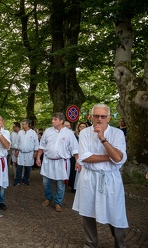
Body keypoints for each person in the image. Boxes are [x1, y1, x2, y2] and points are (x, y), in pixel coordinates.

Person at [72, 104, 128, 247]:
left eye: (103, 116)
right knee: (88, 211)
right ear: (91, 117)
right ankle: (90, 243)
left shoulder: (117, 134)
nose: (99, 119)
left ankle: (120, 243)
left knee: (116, 212)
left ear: (108, 118)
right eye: (96, 116)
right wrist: (110, 157)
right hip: (89, 177)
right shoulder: (84, 133)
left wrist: (103, 138)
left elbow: (118, 157)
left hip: (110, 179)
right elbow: (85, 158)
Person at [36, 112, 78, 212]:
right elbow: (42, 146)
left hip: (61, 162)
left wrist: (77, 161)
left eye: (55, 119)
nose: (52, 121)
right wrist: (38, 157)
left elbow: (75, 149)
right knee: (46, 182)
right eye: (52, 119)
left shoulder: (69, 133)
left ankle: (58, 202)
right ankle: (48, 197)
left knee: (60, 183)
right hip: (48, 161)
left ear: (61, 121)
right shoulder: (47, 131)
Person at [14, 119, 39, 186]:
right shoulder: (20, 132)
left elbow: (36, 144)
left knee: (28, 168)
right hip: (21, 153)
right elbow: (17, 142)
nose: (23, 125)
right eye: (22, 124)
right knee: (19, 167)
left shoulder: (33, 133)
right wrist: (16, 151)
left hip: (29, 153)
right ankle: (17, 180)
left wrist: (35, 153)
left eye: (24, 124)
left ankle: (26, 180)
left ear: (28, 125)